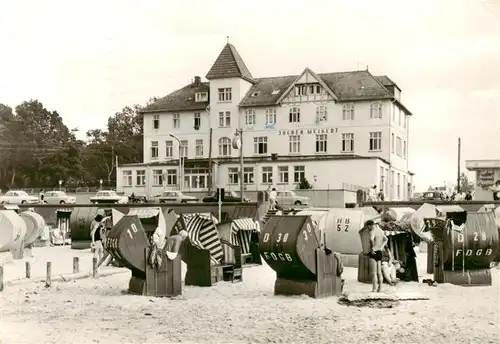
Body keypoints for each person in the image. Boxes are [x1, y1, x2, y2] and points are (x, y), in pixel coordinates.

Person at [366, 220, 388, 292]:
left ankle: (374, 289)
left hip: (374, 252)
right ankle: (380, 288)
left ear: (370, 225)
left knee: (373, 273)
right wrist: (381, 247)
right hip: (379, 251)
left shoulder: (372, 231)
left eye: (368, 226)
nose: (368, 228)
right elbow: (386, 239)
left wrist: (372, 247)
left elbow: (371, 239)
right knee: (379, 272)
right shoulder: (380, 231)